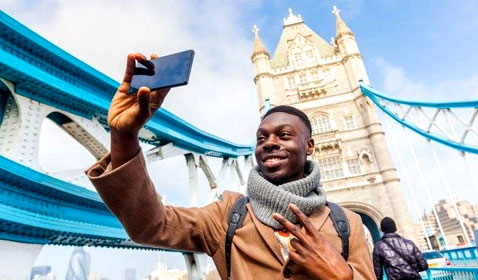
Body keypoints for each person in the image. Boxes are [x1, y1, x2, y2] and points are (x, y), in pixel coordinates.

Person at [86, 53, 376, 279]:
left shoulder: (347, 223)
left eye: (284, 135)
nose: (269, 143)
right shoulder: (227, 215)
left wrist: (342, 276)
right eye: (261, 137)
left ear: (309, 146)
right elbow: (150, 226)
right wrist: (123, 136)